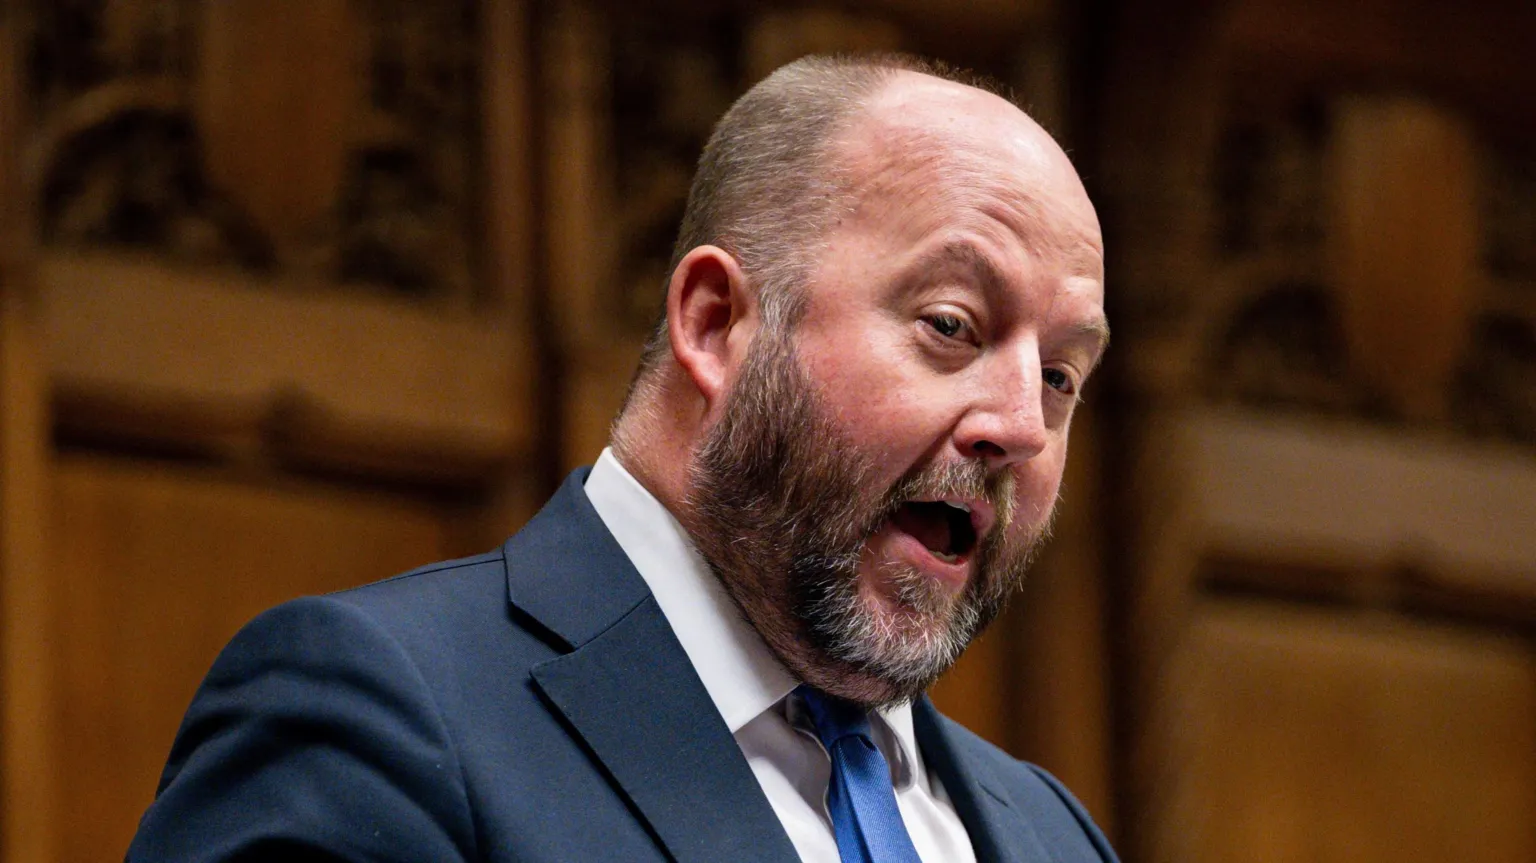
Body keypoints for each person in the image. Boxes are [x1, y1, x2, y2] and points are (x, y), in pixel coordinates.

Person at [127, 53, 1115, 863]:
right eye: (950, 324)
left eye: (1063, 376)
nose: (1022, 424)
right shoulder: (375, 716)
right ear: (718, 321)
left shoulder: (1050, 833)